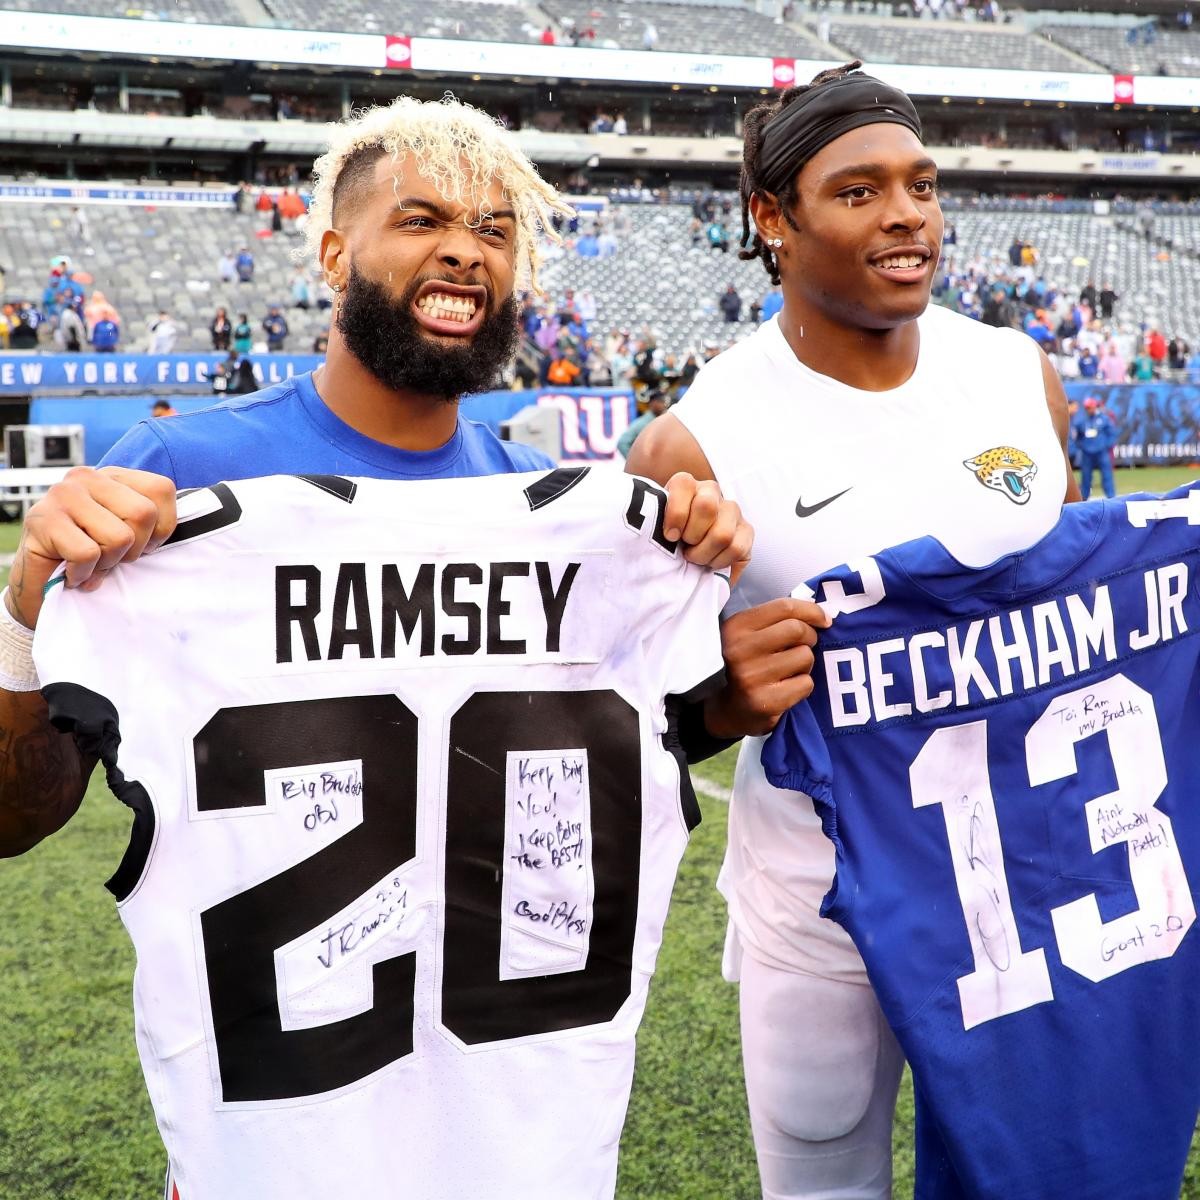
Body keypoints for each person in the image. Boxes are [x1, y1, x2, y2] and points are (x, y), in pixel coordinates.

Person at [0, 94, 747, 1194]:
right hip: (275, 1151)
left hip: (513, 1143)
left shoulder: (568, 518)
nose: (465, 248)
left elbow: (629, 758)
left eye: (497, 231)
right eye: (425, 218)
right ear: (335, 248)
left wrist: (715, 654)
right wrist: (26, 624)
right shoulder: (185, 479)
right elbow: (14, 819)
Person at [626, 62, 1079, 1199]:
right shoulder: (695, 441)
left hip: (1021, 875)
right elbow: (628, 726)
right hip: (820, 899)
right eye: (861, 190)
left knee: (1041, 1175)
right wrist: (723, 696)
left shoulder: (1019, 377)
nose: (907, 215)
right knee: (825, 1186)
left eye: (921, 185)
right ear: (772, 219)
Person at [1076, 395, 1118, 499]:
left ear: (1095, 406)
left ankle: (1111, 497)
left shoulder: (1104, 419)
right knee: (1086, 477)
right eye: (1086, 408)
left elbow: (1112, 433)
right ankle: (1084, 498)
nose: (1088, 410)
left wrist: (1106, 446)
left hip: (1102, 452)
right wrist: (1083, 446)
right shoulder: (1083, 421)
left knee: (1107, 476)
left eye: (1089, 407)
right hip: (1087, 454)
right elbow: (1078, 436)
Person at [617, 388, 669, 458]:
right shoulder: (642, 423)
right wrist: (635, 462)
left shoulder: (660, 421)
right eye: (661, 401)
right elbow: (622, 443)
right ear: (653, 403)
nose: (663, 405)